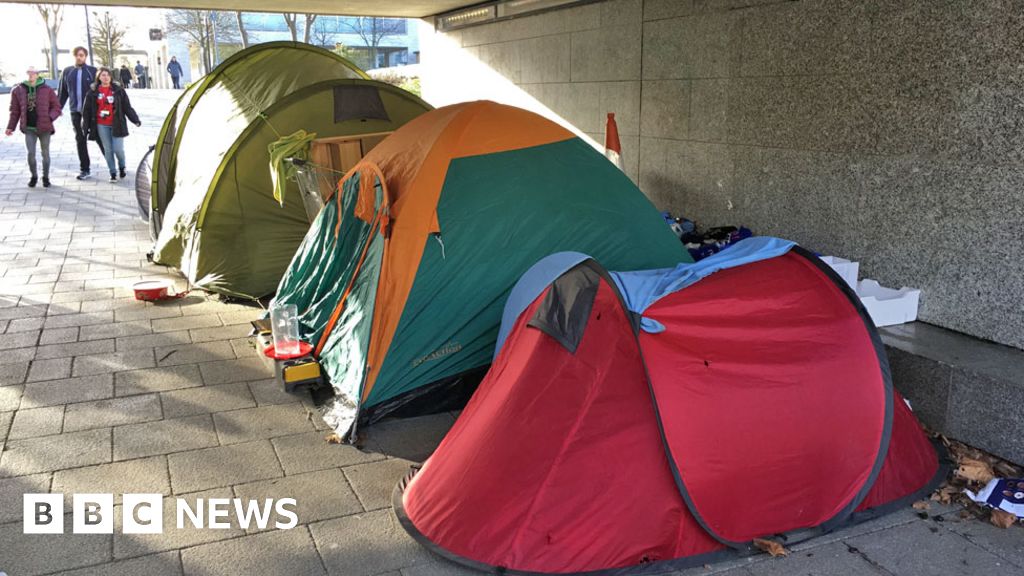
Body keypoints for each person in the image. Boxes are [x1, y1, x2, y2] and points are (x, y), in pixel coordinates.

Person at [6, 66, 61, 188]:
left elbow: (56, 107)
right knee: (31, 153)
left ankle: (46, 177)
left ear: (37, 74)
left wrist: (50, 118)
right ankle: (34, 176)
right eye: (28, 73)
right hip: (29, 128)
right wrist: (11, 127)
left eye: (33, 73)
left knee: (45, 153)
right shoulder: (18, 90)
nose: (30, 75)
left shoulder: (47, 90)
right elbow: (14, 111)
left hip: (44, 127)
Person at [83, 67, 140, 183]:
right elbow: (87, 111)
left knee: (118, 149)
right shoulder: (92, 92)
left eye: (107, 75)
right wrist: (85, 127)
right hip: (101, 124)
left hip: (117, 123)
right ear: (99, 77)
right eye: (103, 75)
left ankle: (122, 166)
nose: (106, 77)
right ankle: (113, 172)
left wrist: (135, 119)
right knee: (108, 149)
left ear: (111, 77)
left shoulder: (118, 90)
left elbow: (127, 107)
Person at [58, 46, 97, 180]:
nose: (79, 57)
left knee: (100, 138)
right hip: (75, 112)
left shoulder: (92, 71)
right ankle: (85, 169)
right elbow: (62, 92)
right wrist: (57, 109)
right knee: (80, 140)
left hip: (91, 113)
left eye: (82, 55)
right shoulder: (67, 72)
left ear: (85, 56)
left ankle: (113, 167)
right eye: (77, 55)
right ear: (74, 56)